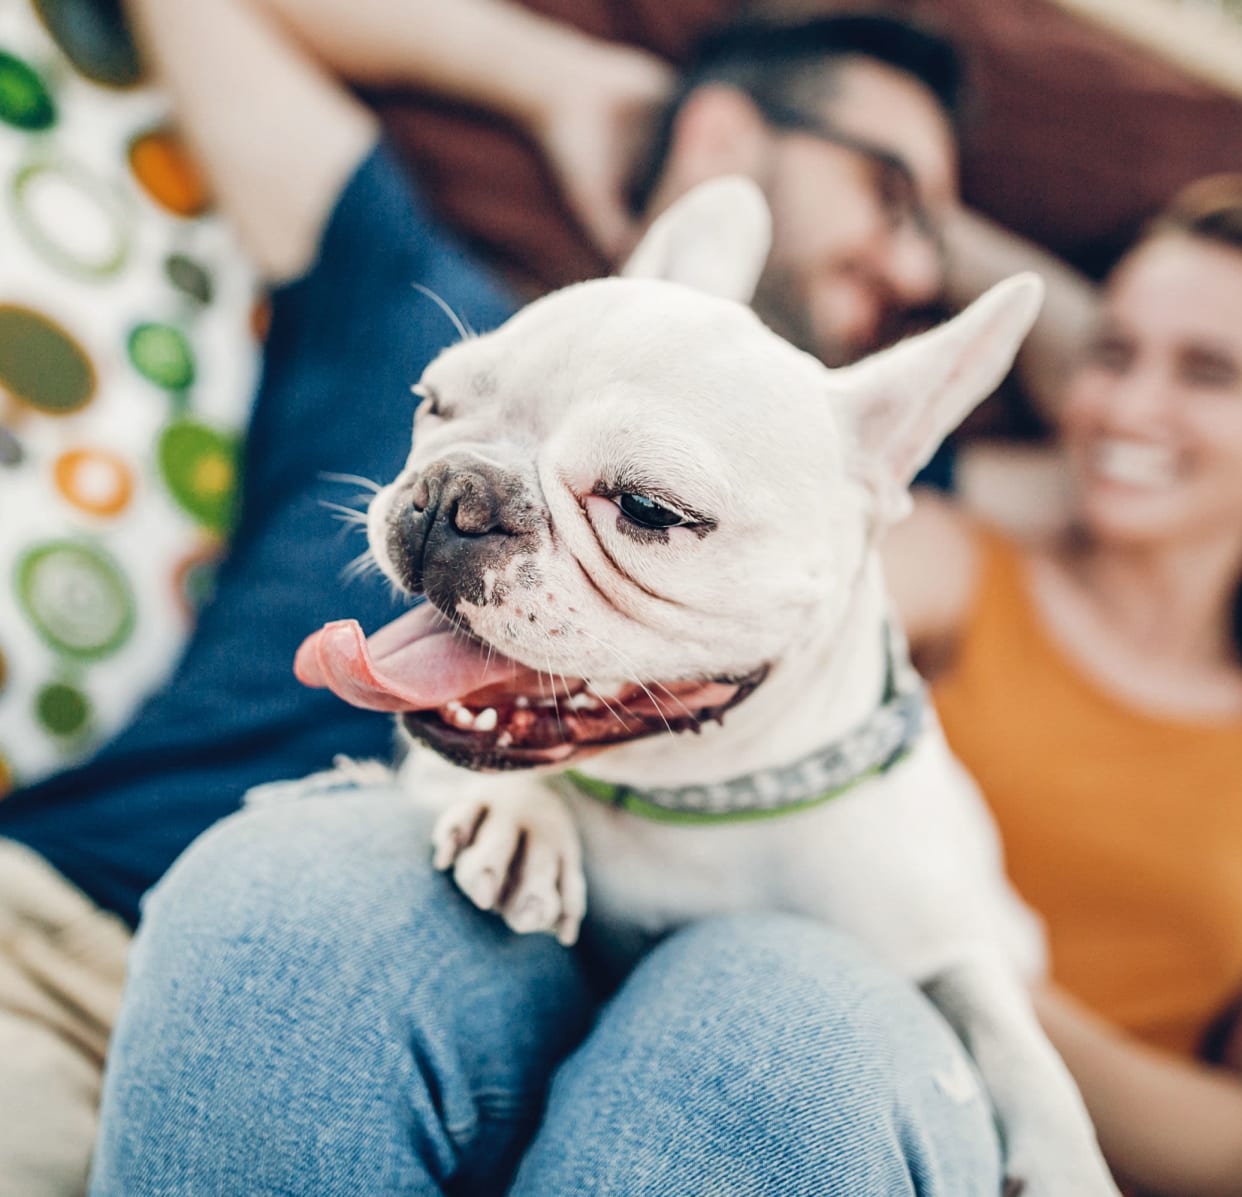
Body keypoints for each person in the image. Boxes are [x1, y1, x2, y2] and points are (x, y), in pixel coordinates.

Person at [0, 1, 1091, 1193]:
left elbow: (1150, 436)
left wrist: (952, 239)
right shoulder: (430, 285)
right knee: (282, 913)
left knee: (762, 1041)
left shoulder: (860, 466)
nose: (915, 263)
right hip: (74, 950)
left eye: (645, 507)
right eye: (888, 193)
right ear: (725, 136)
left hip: (604, 1083)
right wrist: (575, 87)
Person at [887, 176, 1242, 1196]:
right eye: (1113, 353)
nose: (1131, 405)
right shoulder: (959, 568)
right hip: (802, 1030)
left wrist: (969, 980)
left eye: (1207, 372)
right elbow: (753, 602)